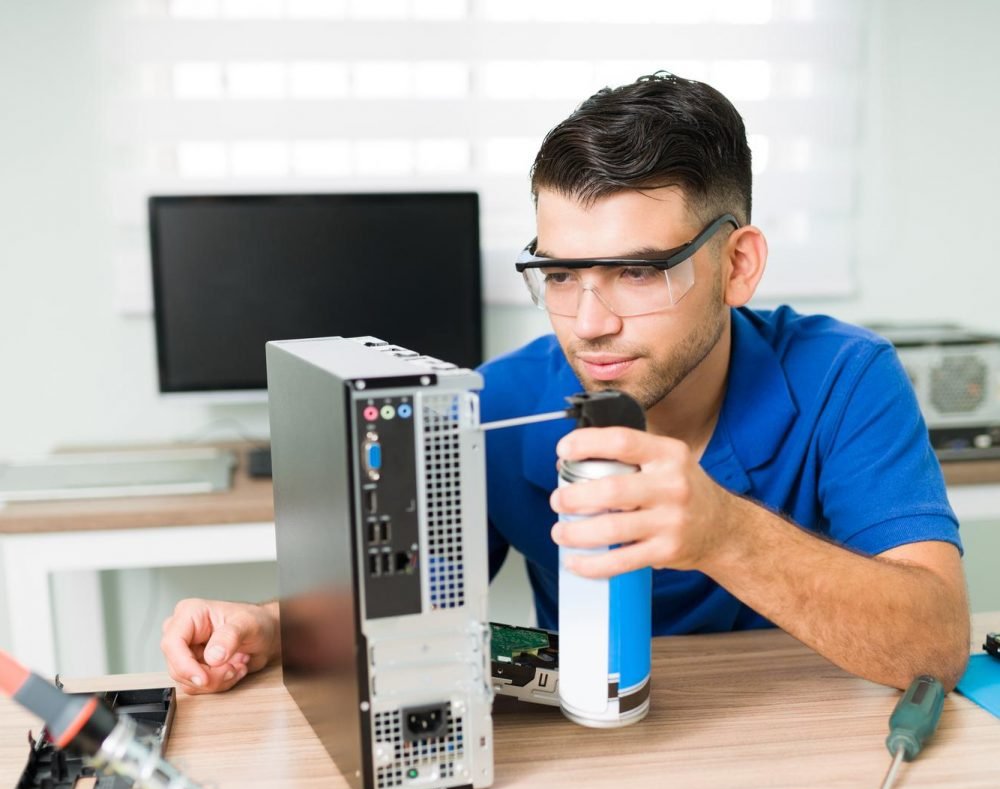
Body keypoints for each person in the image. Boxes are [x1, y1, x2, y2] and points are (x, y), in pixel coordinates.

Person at [160, 71, 969, 697]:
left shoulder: (843, 377)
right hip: (595, 752)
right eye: (559, 274)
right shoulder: (499, 403)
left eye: (636, 272)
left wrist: (727, 533)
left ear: (738, 265)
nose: (587, 322)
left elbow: (936, 644)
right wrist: (267, 627)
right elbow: (399, 603)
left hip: (802, 750)